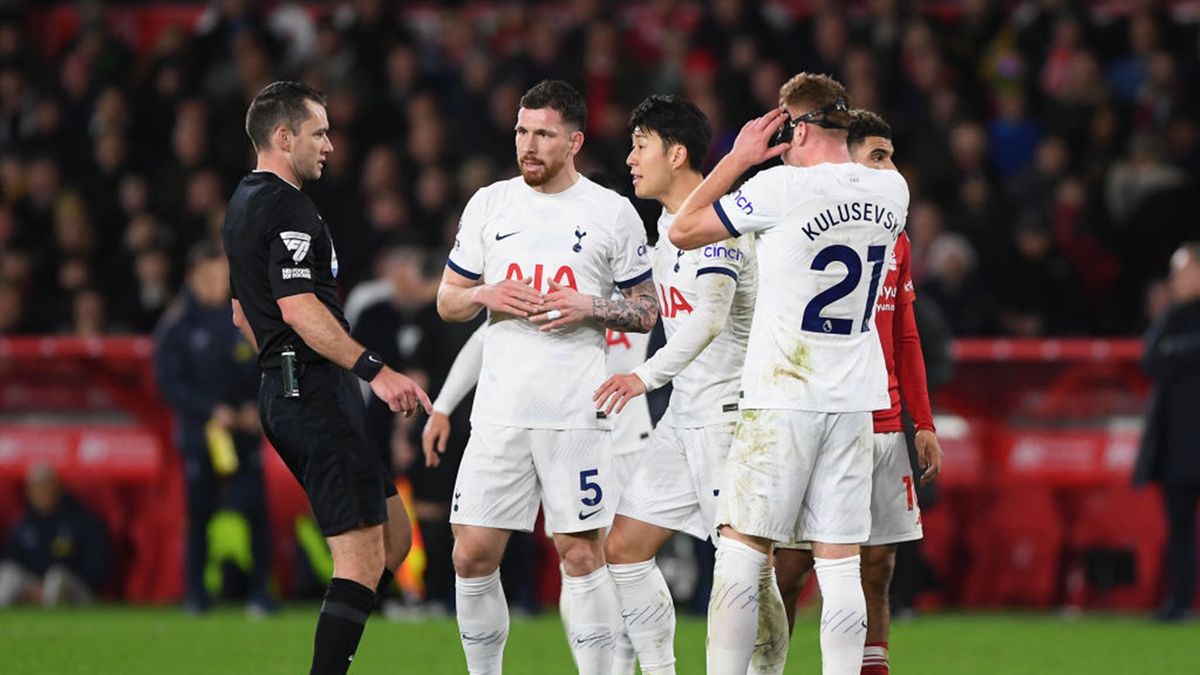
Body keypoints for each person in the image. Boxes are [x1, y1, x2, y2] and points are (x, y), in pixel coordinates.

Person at [669, 73, 909, 675]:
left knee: (743, 552)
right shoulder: (893, 190)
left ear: (797, 129)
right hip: (853, 400)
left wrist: (737, 159)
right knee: (840, 563)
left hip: (782, 396)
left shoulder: (778, 186)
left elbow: (682, 229)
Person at [433, 79, 656, 675]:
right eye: (521, 132)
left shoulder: (612, 212)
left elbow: (646, 309)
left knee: (580, 556)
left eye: (543, 134)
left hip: (575, 415)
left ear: (575, 142)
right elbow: (447, 301)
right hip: (500, 412)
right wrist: (483, 294)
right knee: (470, 555)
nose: (528, 146)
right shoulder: (490, 204)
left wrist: (590, 306)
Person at [221, 81, 431, 675]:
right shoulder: (287, 206)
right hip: (315, 393)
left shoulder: (242, 202)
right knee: (360, 561)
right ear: (284, 137)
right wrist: (374, 371)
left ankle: (342, 628)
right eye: (319, 133)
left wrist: (278, 367)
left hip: (296, 389)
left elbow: (242, 314)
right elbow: (298, 308)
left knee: (393, 542)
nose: (330, 146)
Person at [588, 94, 782, 675]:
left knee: (748, 572)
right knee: (624, 549)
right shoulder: (667, 226)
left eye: (640, 145)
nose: (630, 159)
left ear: (676, 154)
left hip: (730, 419)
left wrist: (643, 377)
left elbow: (709, 318)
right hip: (684, 418)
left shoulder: (721, 226)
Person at [770, 110, 944, 675]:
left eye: (892, 157)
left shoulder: (897, 239)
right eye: (878, 156)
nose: (890, 169)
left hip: (885, 424)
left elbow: (906, 334)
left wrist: (923, 422)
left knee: (877, 567)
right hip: (818, 417)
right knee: (790, 569)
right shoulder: (805, 228)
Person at [423, 320, 652, 674]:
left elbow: (674, 327)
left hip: (623, 435)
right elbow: (485, 333)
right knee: (574, 558)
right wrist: (443, 406)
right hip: (552, 430)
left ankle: (639, 667)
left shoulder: (627, 289)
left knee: (623, 564)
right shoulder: (533, 296)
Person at [154, 241, 275, 615]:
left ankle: (260, 593)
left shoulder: (245, 318)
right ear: (193, 278)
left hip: (244, 434)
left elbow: (268, 368)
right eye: (209, 277)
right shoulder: (176, 326)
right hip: (201, 436)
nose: (217, 284)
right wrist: (210, 410)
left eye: (223, 276)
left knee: (256, 512)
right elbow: (169, 384)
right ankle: (196, 594)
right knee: (200, 514)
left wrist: (257, 407)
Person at [1135, 242, 1200, 623]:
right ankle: (1179, 601)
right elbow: (1150, 359)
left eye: (1183, 271)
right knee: (1178, 529)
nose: (1175, 280)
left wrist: (1177, 352)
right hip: (1177, 445)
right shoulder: (1171, 316)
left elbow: (1164, 356)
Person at [0, 464, 110, 607]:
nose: (42, 493)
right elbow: (12, 560)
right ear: (28, 493)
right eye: (37, 488)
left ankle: (48, 617)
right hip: (35, 585)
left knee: (57, 577)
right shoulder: (22, 525)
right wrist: (37, 587)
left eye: (47, 487)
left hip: (77, 589)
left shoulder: (81, 521)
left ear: (58, 488)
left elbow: (96, 567)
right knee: (8, 573)